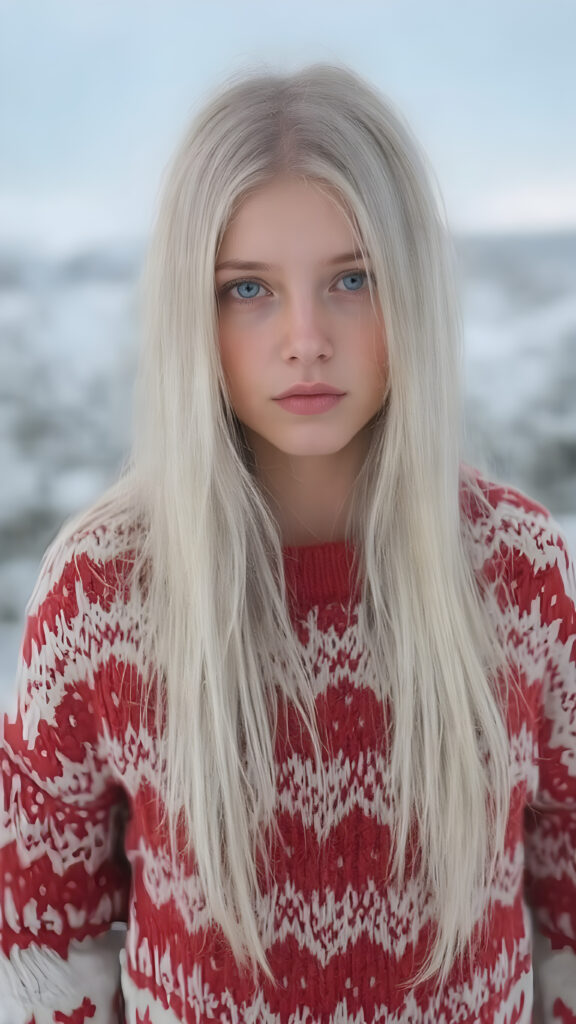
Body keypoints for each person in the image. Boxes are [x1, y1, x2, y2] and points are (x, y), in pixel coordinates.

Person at [0, 63, 575, 1024]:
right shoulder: (103, 590)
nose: (305, 338)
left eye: (353, 279)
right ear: (191, 311)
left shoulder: (517, 570)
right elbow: (41, 941)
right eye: (249, 289)